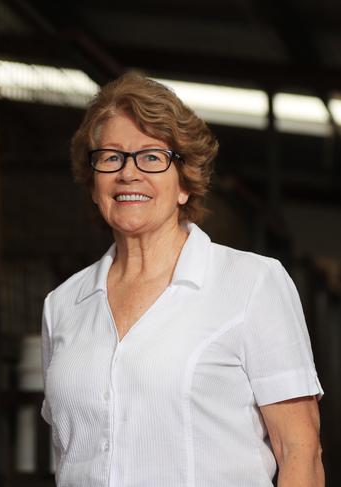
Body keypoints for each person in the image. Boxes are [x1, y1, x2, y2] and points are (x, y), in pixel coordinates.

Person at [40, 73, 324, 486]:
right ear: (94, 180)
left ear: (184, 184)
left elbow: (300, 451)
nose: (128, 173)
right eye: (111, 157)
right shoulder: (62, 305)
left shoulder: (252, 284)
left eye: (152, 157)